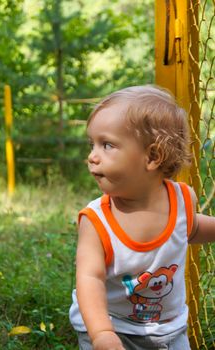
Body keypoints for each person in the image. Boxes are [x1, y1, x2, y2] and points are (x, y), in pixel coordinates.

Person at [69, 85, 215, 350]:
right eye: (93, 144)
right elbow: (89, 278)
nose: (92, 156)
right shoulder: (96, 220)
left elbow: (190, 229)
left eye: (107, 145)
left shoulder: (182, 200)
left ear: (153, 156)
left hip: (169, 329)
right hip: (113, 326)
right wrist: (101, 333)